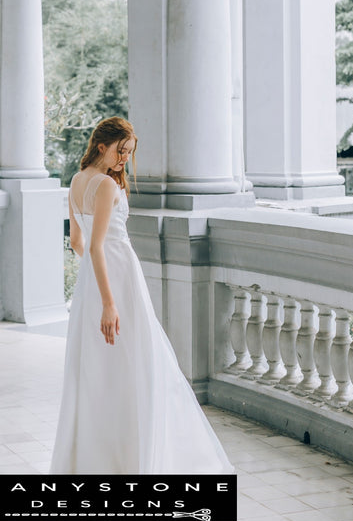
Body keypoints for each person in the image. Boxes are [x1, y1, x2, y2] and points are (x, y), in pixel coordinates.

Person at [49, 116, 234, 475]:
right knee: (136, 364)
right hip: (116, 281)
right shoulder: (103, 185)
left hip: (93, 282)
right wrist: (109, 301)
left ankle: (98, 462)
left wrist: (90, 282)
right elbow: (99, 247)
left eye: (129, 153)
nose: (124, 160)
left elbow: (78, 242)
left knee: (97, 370)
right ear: (101, 145)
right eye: (121, 151)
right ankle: (133, 462)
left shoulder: (75, 180)